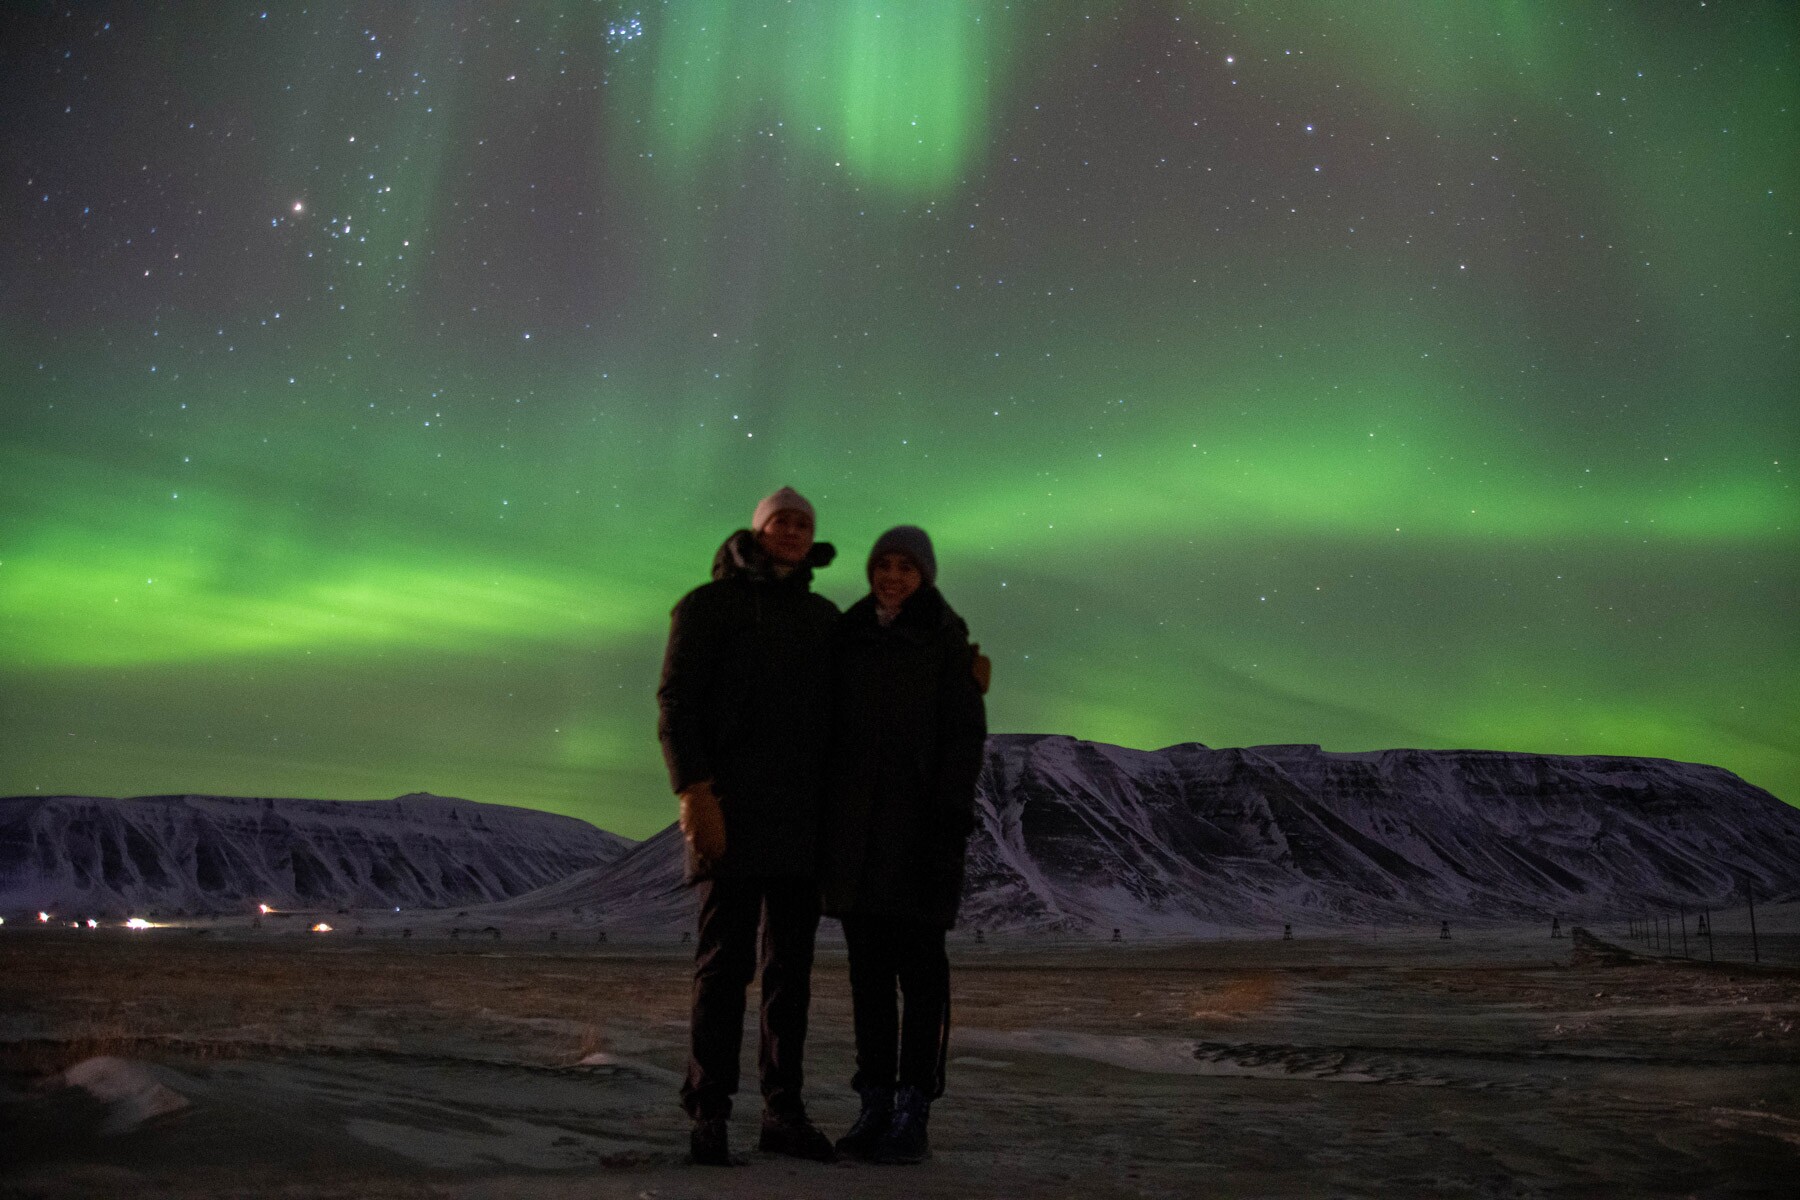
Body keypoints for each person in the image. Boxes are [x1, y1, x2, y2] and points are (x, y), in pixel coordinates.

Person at [656, 486, 840, 1166]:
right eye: (780, 523)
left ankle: (782, 1112)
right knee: (722, 969)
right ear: (758, 532)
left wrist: (955, 678)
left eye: (802, 524)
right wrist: (693, 789)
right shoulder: (707, 607)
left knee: (790, 974)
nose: (791, 532)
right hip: (727, 813)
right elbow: (676, 701)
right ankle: (709, 1111)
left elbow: (868, 691)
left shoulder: (824, 618)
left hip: (800, 822)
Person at [820, 525, 988, 1164]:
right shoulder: (851, 637)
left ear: (926, 575)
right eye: (883, 565)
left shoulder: (946, 642)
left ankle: (915, 1108)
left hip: (921, 838)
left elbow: (962, 740)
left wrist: (946, 822)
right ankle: (875, 1105)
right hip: (857, 841)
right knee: (868, 979)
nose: (892, 577)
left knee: (921, 979)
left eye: (906, 568)